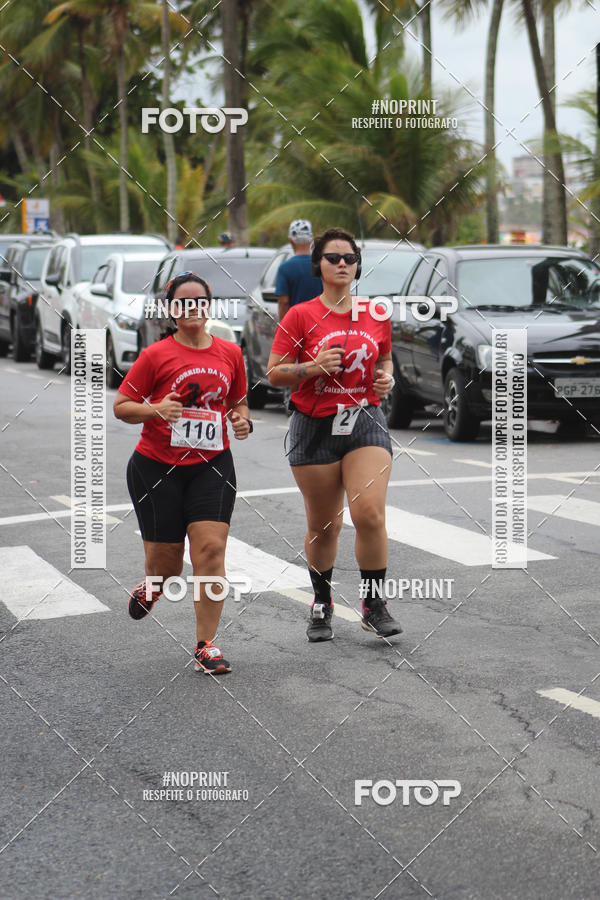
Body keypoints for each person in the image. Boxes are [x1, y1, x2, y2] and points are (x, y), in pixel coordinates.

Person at [113, 272, 252, 675]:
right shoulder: (156, 355)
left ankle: (206, 645)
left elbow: (239, 404)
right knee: (168, 566)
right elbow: (122, 406)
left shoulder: (230, 352)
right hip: (157, 468)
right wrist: (155, 409)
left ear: (209, 307)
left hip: (212, 466)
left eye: (200, 301)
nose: (192, 308)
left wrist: (242, 421)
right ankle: (153, 584)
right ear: (171, 310)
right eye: (183, 302)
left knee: (210, 551)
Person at [267, 227, 401, 643]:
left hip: (365, 420)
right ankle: (321, 602)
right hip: (315, 425)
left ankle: (373, 604)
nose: (342, 263)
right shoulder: (300, 316)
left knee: (370, 515)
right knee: (326, 527)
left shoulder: (376, 314)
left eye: (350, 257)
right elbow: (274, 373)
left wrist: (386, 380)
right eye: (333, 258)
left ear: (358, 265)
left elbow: (386, 359)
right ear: (318, 266)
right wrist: (312, 367)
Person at [275, 219, 323, 321]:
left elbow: (283, 302)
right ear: (311, 239)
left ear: (291, 240)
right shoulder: (323, 265)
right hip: (320, 324)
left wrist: (285, 328)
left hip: (296, 324)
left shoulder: (285, 268)